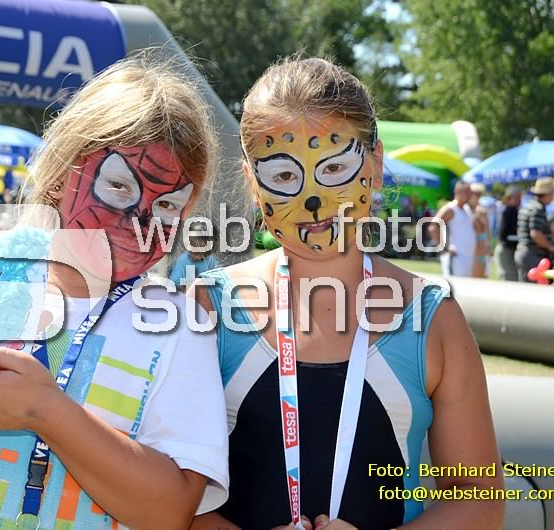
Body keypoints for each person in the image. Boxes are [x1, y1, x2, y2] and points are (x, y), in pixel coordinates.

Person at [0, 55, 229, 529]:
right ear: (60, 175)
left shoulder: (178, 329)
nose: (140, 221)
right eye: (117, 186)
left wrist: (47, 411)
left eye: (169, 206)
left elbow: (170, 513)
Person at [191, 57, 503, 530]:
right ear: (253, 184)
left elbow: (480, 500)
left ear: (374, 166)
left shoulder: (433, 319)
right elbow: (172, 500)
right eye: (283, 176)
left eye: (335, 168)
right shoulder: (208, 307)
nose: (313, 199)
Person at [429, 181, 476, 277]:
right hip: (455, 259)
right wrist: (445, 248)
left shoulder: (467, 209)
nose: (469, 195)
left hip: (468, 258)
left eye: (470, 192)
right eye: (466, 192)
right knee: (455, 285)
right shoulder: (450, 208)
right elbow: (433, 227)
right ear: (457, 191)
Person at [515, 177, 554, 282]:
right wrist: (550, 247)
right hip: (532, 254)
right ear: (547, 194)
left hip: (523, 252)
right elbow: (535, 234)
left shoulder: (528, 206)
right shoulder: (538, 209)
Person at [169, 221, 218, 290]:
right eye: (195, 252)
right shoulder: (184, 261)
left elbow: (218, 281)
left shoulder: (211, 261)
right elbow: (174, 283)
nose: (198, 257)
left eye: (202, 253)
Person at [494, 186, 521, 281]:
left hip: (511, 249)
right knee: (508, 277)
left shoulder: (514, 211)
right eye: (516, 197)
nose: (519, 200)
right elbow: (504, 235)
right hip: (506, 249)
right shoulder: (508, 212)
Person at [468, 183, 491, 278]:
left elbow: (487, 230)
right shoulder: (466, 209)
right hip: (471, 248)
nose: (477, 196)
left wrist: (488, 245)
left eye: (479, 194)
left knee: (481, 278)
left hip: (480, 247)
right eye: (475, 193)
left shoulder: (481, 210)